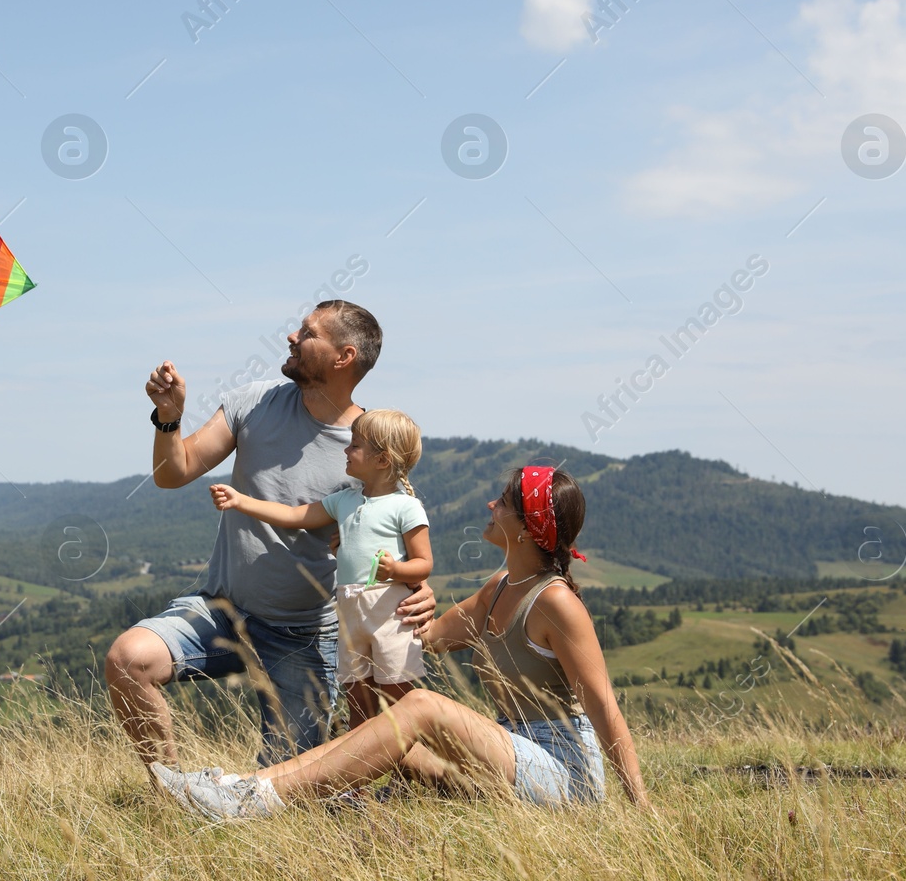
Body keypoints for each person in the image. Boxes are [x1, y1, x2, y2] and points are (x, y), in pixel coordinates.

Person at [150, 466, 651, 818]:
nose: (491, 503)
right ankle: (240, 786)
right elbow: (425, 637)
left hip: (565, 775)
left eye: (504, 501)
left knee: (421, 707)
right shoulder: (497, 589)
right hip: (514, 756)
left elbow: (603, 706)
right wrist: (402, 590)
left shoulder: (556, 601)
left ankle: (251, 803)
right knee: (380, 737)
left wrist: (640, 809)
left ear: (527, 527)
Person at [104, 301, 438, 769]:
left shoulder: (369, 446)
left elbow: (393, 528)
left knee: (289, 788)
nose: (292, 338)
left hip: (304, 636)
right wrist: (168, 417)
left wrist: (421, 588)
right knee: (127, 660)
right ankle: (172, 797)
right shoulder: (255, 401)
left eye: (308, 333)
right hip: (222, 609)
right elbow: (172, 473)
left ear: (343, 357)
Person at [210, 408, 432, 730]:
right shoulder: (344, 500)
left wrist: (396, 570)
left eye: (355, 446)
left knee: (398, 705)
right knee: (359, 704)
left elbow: (423, 564)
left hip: (390, 613)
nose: (346, 450)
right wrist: (240, 501)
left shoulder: (406, 507)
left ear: (382, 460)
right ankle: (359, 779)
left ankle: (401, 775)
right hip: (350, 610)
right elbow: (294, 516)